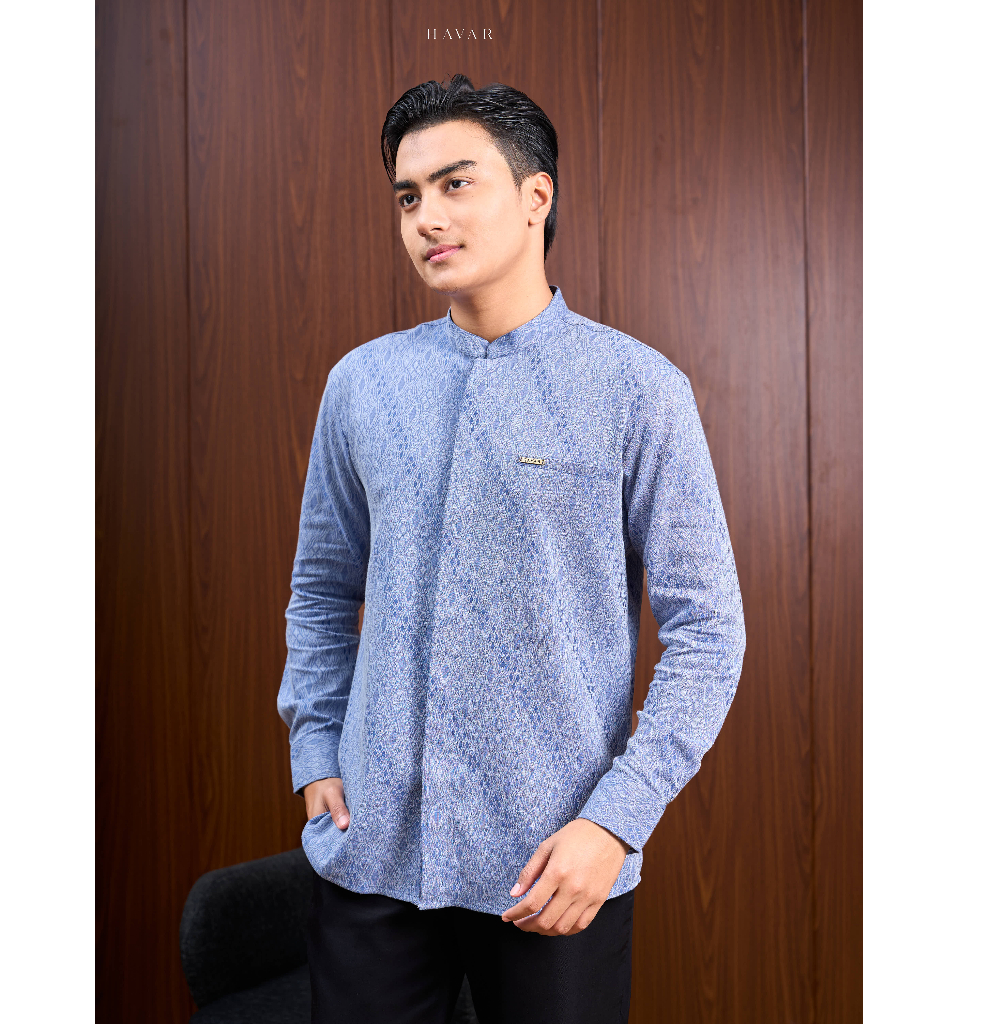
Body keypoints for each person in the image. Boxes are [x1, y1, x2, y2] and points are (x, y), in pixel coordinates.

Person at [277, 73, 746, 1024]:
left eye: (456, 184)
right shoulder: (363, 385)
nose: (426, 218)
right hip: (372, 857)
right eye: (408, 196)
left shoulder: (637, 389)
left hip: (553, 869)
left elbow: (709, 633)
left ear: (536, 196)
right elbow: (322, 589)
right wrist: (315, 745)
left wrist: (616, 821)